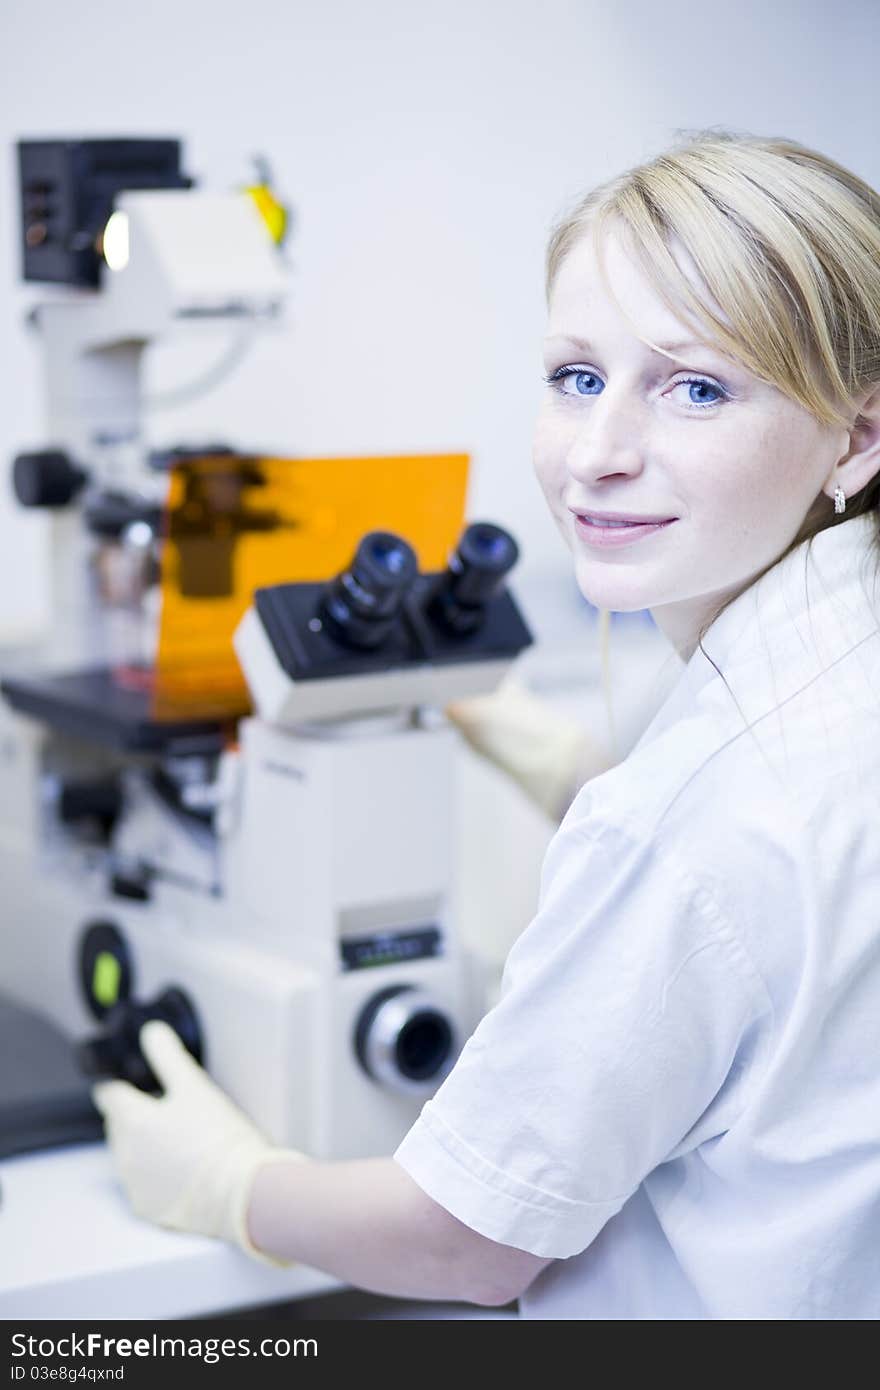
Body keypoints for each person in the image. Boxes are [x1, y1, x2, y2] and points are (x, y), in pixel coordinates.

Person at [93, 131, 880, 1319]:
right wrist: (573, 768)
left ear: (857, 435)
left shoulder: (688, 821)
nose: (597, 454)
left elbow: (468, 1243)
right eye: (576, 376)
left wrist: (233, 1187)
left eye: (696, 387)